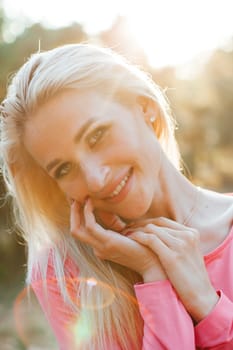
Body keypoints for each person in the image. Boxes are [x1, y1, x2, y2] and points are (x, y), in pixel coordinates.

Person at [0, 43, 233, 350]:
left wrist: (206, 304)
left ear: (145, 109)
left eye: (97, 135)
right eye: (65, 168)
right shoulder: (64, 273)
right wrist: (154, 276)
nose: (95, 179)